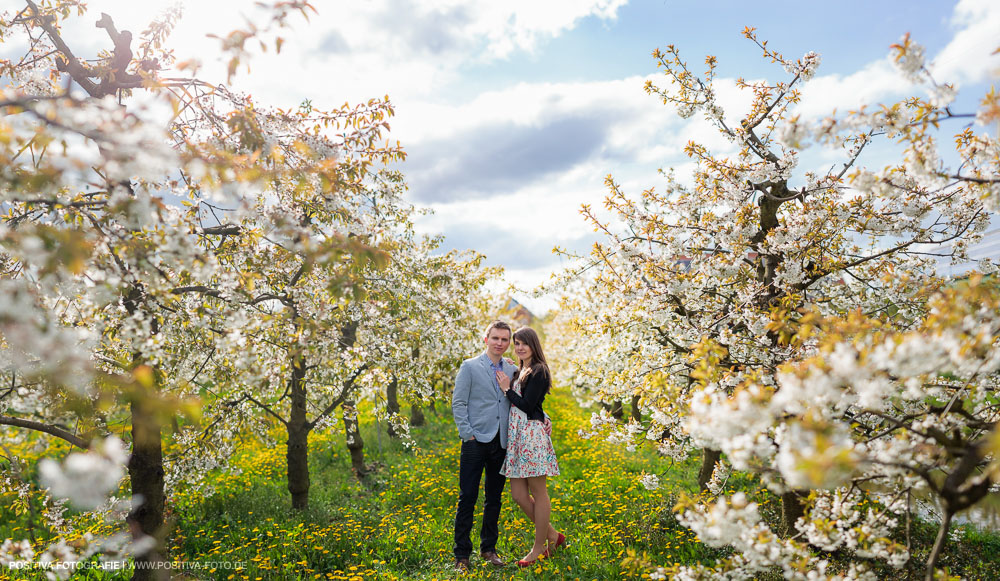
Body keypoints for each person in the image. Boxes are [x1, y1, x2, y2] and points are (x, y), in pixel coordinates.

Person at [451, 320, 520, 571]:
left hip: (501, 442)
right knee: (467, 497)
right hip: (474, 442)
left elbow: (521, 400)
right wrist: (467, 434)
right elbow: (459, 403)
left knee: (494, 498)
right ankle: (462, 555)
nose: (500, 343)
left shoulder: (512, 370)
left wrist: (545, 419)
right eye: (495, 338)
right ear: (486, 339)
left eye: (504, 339)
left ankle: (489, 549)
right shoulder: (469, 367)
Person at [495, 326, 564, 567]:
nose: (520, 347)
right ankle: (554, 536)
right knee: (518, 495)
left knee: (538, 493)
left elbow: (526, 404)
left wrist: (506, 390)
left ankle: (539, 547)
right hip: (517, 438)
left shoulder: (539, 371)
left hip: (531, 437)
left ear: (534, 345)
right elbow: (533, 405)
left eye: (524, 343)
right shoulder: (521, 370)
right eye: (517, 343)